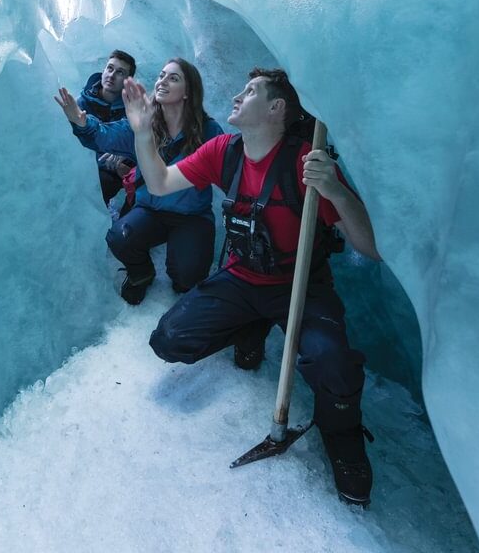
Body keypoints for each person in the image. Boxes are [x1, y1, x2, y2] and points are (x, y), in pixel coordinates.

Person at [121, 67, 381, 507]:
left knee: (332, 363)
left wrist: (335, 191)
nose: (238, 95)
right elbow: (161, 182)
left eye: (251, 91)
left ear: (277, 108)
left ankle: (344, 438)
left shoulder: (307, 163)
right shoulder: (225, 151)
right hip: (241, 278)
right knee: (169, 339)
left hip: (299, 285)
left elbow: (370, 248)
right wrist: (144, 133)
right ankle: (250, 328)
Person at [55, 58, 224, 304]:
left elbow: (230, 164)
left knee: (187, 277)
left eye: (173, 78)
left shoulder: (207, 131)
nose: (163, 81)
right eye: (161, 75)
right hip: (152, 210)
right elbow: (105, 135)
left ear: (188, 92)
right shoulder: (144, 123)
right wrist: (81, 121)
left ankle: (182, 275)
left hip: (192, 216)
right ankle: (141, 273)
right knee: (119, 238)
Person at [76, 50, 137, 206]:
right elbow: (77, 147)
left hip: (124, 170)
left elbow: (141, 139)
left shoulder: (132, 107)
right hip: (91, 170)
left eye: (120, 72)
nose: (111, 75)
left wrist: (124, 154)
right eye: (109, 68)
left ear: (127, 81)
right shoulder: (82, 104)